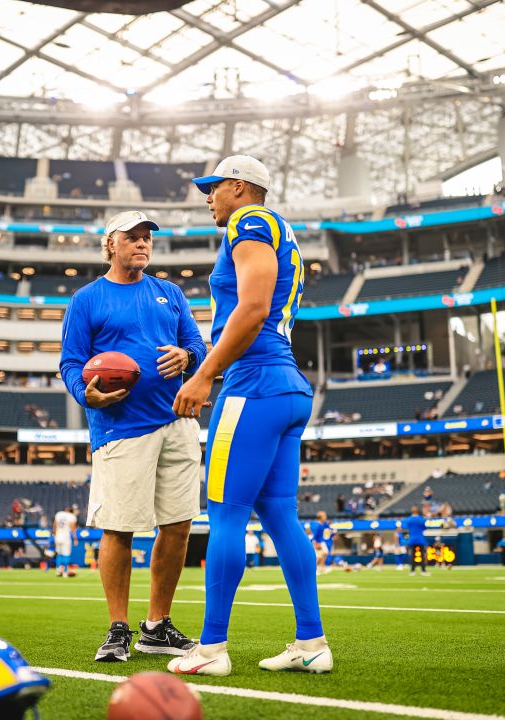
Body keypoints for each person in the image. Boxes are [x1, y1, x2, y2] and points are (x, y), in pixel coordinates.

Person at [169, 156, 329, 676]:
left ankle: (211, 648)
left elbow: (254, 305)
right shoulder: (277, 228)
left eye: (213, 188)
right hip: (284, 385)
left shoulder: (249, 221)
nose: (208, 197)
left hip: (252, 385)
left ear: (239, 187)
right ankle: (312, 643)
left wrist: (203, 374)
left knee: (225, 514)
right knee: (282, 517)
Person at [58, 209, 207, 663]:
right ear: (110, 244)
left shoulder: (171, 293)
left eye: (147, 239)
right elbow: (70, 363)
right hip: (121, 427)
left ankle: (157, 626)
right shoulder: (86, 299)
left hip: (178, 421)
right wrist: (87, 396)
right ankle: (118, 627)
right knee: (119, 527)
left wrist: (186, 357)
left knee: (179, 525)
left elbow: (198, 348)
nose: (142, 244)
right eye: (132, 238)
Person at [53, 504, 79, 578]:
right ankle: (65, 571)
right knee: (66, 554)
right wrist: (75, 538)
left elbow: (55, 524)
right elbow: (73, 528)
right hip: (65, 537)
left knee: (59, 553)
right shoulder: (72, 516)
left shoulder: (59, 514)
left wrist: (54, 534)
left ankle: (58, 569)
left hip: (57, 536)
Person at [401, 506, 429, 576]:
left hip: (412, 539)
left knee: (412, 556)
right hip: (420, 539)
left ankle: (412, 571)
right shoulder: (421, 519)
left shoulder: (409, 519)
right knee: (422, 555)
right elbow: (425, 527)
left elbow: (406, 527)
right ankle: (423, 571)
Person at [310, 511, 336, 576]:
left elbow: (328, 529)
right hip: (318, 543)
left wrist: (332, 531)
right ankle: (315, 570)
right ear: (320, 517)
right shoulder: (317, 525)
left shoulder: (324, 524)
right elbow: (314, 536)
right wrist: (315, 543)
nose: (325, 517)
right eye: (324, 516)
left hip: (322, 542)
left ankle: (321, 568)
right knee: (318, 557)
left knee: (325, 553)